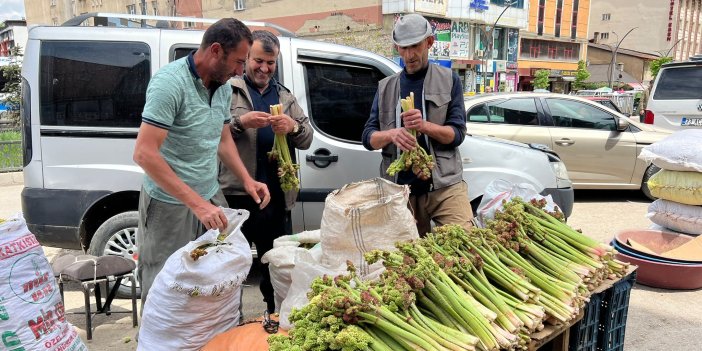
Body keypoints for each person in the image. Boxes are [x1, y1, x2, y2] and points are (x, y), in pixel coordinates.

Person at [133, 18, 271, 305]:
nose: (239, 71)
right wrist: (196, 204)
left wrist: (247, 180)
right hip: (170, 203)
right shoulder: (169, 83)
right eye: (237, 62)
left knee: (215, 276)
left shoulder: (222, 87)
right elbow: (144, 154)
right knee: (165, 283)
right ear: (216, 51)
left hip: (210, 195)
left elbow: (221, 140)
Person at [219, 30, 313, 313]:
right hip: (236, 195)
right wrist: (240, 122)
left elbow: (307, 137)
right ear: (246, 57)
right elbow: (211, 132)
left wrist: (293, 127)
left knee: (275, 264)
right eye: (258, 60)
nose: (264, 68)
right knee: (230, 266)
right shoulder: (229, 90)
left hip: (275, 195)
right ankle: (229, 321)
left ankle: (274, 316)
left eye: (270, 63)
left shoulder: (284, 96)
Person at [362, 14, 473, 237]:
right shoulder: (385, 87)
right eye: (403, 48)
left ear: (429, 43)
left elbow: (458, 134)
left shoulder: (450, 79)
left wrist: (424, 126)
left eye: (415, 46)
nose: (410, 55)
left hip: (445, 187)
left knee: (466, 244)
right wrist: (392, 134)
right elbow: (368, 137)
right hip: (402, 192)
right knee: (409, 262)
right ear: (397, 48)